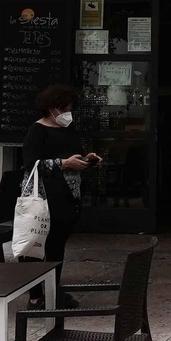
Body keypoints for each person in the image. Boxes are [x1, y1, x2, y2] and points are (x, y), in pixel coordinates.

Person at [20, 83, 100, 306]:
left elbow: (74, 156)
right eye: (64, 109)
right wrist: (64, 163)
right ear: (52, 108)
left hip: (67, 195)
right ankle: (36, 296)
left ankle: (53, 291)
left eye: (69, 109)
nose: (67, 113)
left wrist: (86, 160)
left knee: (57, 245)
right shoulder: (37, 130)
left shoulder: (67, 129)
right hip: (44, 197)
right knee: (36, 247)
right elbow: (31, 164)